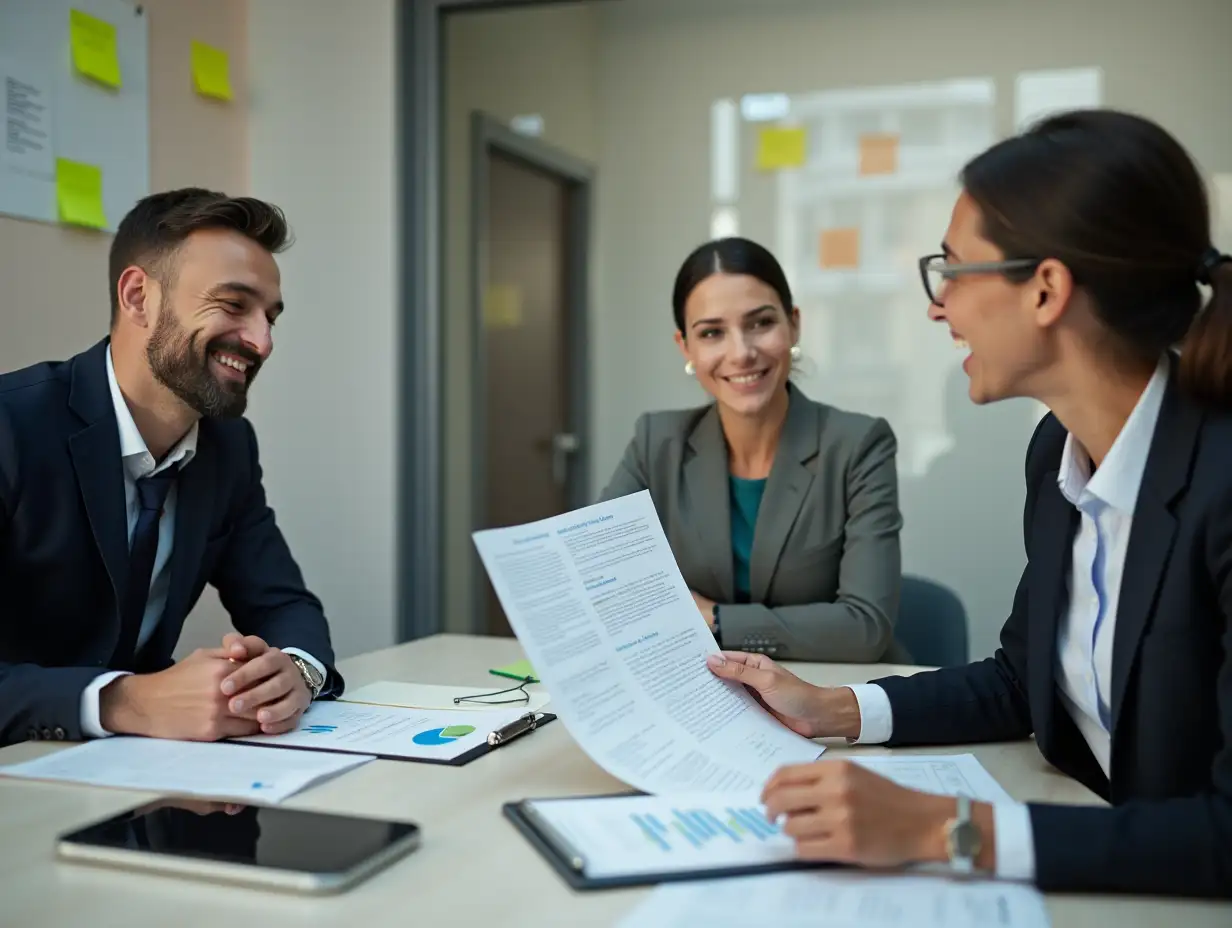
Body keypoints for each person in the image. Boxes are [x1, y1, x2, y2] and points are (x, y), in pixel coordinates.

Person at [706, 110, 1232, 898]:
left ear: (1046, 289)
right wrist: (833, 708)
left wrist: (940, 829)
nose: (936, 305)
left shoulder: (1222, 482)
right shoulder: (1057, 449)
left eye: (951, 270)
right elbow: (1024, 682)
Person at [0, 188, 343, 748]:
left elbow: (283, 603)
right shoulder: (11, 427)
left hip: (145, 778)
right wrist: (125, 701)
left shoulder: (229, 447)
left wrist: (293, 674)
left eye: (270, 317)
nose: (262, 340)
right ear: (139, 297)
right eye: (234, 305)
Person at [602, 237, 908, 663]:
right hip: (704, 691)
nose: (741, 352)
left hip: (831, 692)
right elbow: (601, 582)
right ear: (685, 347)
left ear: (793, 324)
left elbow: (864, 628)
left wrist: (715, 621)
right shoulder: (657, 442)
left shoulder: (858, 445)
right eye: (712, 333)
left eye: (761, 323)